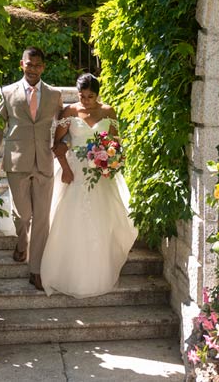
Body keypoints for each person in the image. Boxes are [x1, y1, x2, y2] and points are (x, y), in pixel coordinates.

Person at [40, 73, 138, 298]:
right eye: (82, 96)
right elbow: (58, 144)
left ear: (98, 94)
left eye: (90, 96)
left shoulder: (108, 111)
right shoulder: (70, 112)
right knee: (72, 217)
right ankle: (66, 269)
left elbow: (115, 143)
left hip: (100, 172)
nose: (85, 100)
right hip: (75, 172)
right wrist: (65, 168)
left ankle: (99, 267)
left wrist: (109, 161)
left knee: (102, 218)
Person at [0, 46, 64, 291]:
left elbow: (63, 124)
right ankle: (22, 243)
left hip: (44, 161)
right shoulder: (6, 92)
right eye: (29, 64)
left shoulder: (54, 95)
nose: (33, 69)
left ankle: (36, 270)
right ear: (21, 64)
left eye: (37, 65)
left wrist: (65, 148)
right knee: (23, 215)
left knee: (42, 218)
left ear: (43, 67)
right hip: (16, 161)